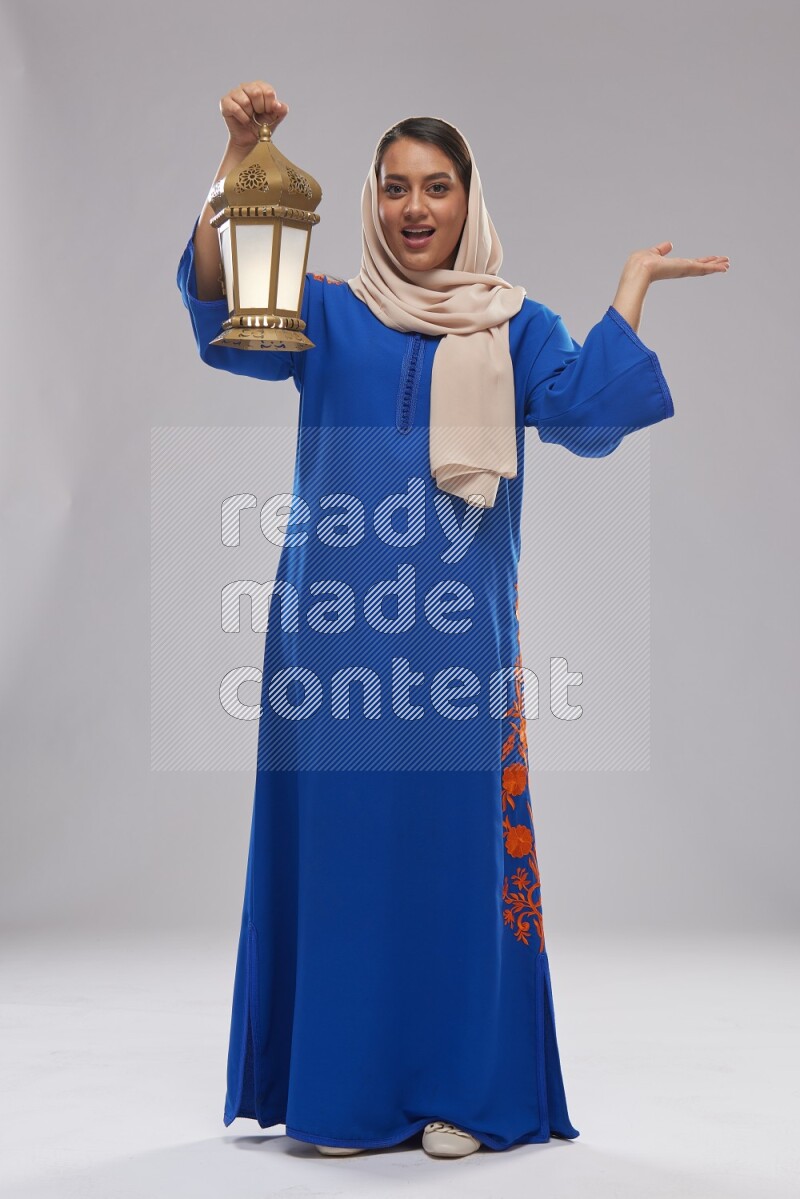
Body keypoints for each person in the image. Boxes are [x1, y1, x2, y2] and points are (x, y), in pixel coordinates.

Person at [177, 81, 729, 1159]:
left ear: (467, 198)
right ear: (371, 203)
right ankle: (339, 1091)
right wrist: (234, 163)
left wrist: (627, 291)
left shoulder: (516, 324)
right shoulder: (328, 308)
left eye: (435, 187)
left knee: (449, 854)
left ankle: (460, 1094)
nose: (412, 208)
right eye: (392, 189)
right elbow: (220, 312)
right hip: (332, 633)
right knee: (343, 851)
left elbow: (584, 411)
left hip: (456, 644)